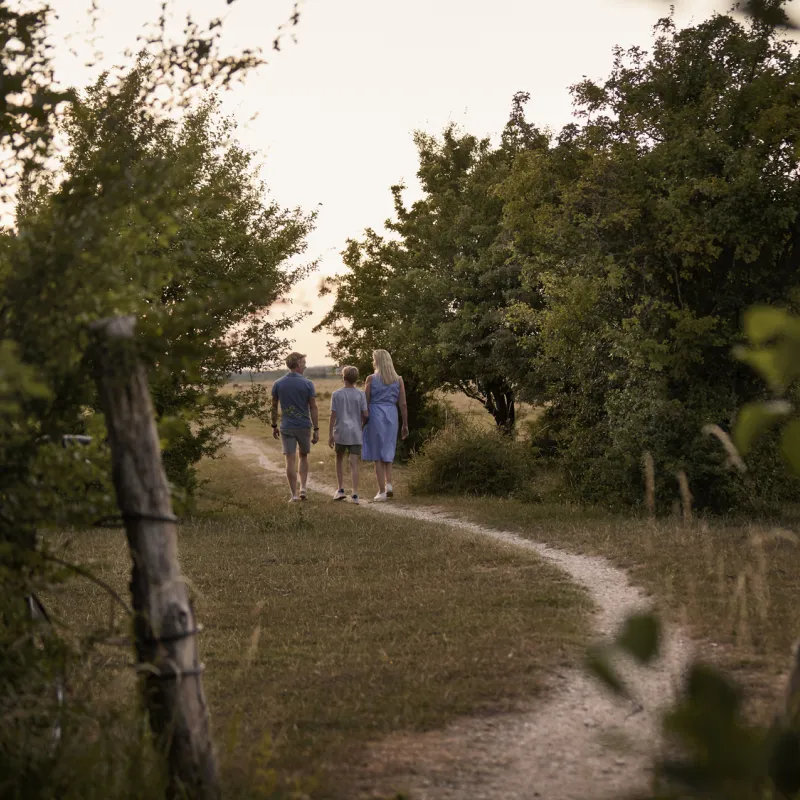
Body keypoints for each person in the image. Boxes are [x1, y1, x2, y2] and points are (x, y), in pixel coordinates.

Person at [270, 351, 319, 502]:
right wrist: (316, 429)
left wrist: (274, 425)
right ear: (298, 365)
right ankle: (303, 488)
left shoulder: (278, 383)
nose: (305, 366)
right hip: (304, 425)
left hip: (286, 426)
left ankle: (294, 495)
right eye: (304, 363)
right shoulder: (308, 383)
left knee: (290, 459)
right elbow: (313, 407)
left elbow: (273, 406)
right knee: (303, 456)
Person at [362, 349, 409, 501]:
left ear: (378, 361)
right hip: (392, 414)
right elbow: (403, 404)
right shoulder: (399, 379)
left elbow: (365, 402)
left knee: (377, 453)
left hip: (376, 413)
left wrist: (363, 420)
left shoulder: (371, 379)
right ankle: (389, 483)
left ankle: (381, 491)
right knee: (388, 448)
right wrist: (405, 424)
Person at [328, 365, 369, 504]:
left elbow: (333, 416)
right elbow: (365, 414)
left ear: (343, 377)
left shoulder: (336, 394)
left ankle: (340, 489)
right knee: (354, 462)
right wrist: (361, 425)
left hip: (341, 432)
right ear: (356, 378)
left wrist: (330, 434)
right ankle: (355, 493)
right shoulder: (361, 394)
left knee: (339, 459)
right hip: (356, 433)